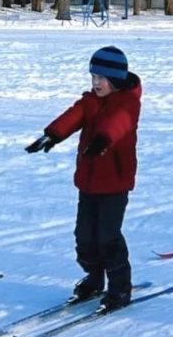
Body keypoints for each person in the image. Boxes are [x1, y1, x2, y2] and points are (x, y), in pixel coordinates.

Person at [26, 46, 141, 309]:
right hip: (88, 183)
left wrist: (102, 141)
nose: (96, 82)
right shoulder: (90, 101)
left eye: (102, 78)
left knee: (108, 237)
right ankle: (94, 278)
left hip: (114, 184)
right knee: (85, 238)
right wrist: (52, 135)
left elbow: (118, 123)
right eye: (93, 76)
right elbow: (73, 116)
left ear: (115, 79)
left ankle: (120, 288)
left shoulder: (128, 102)